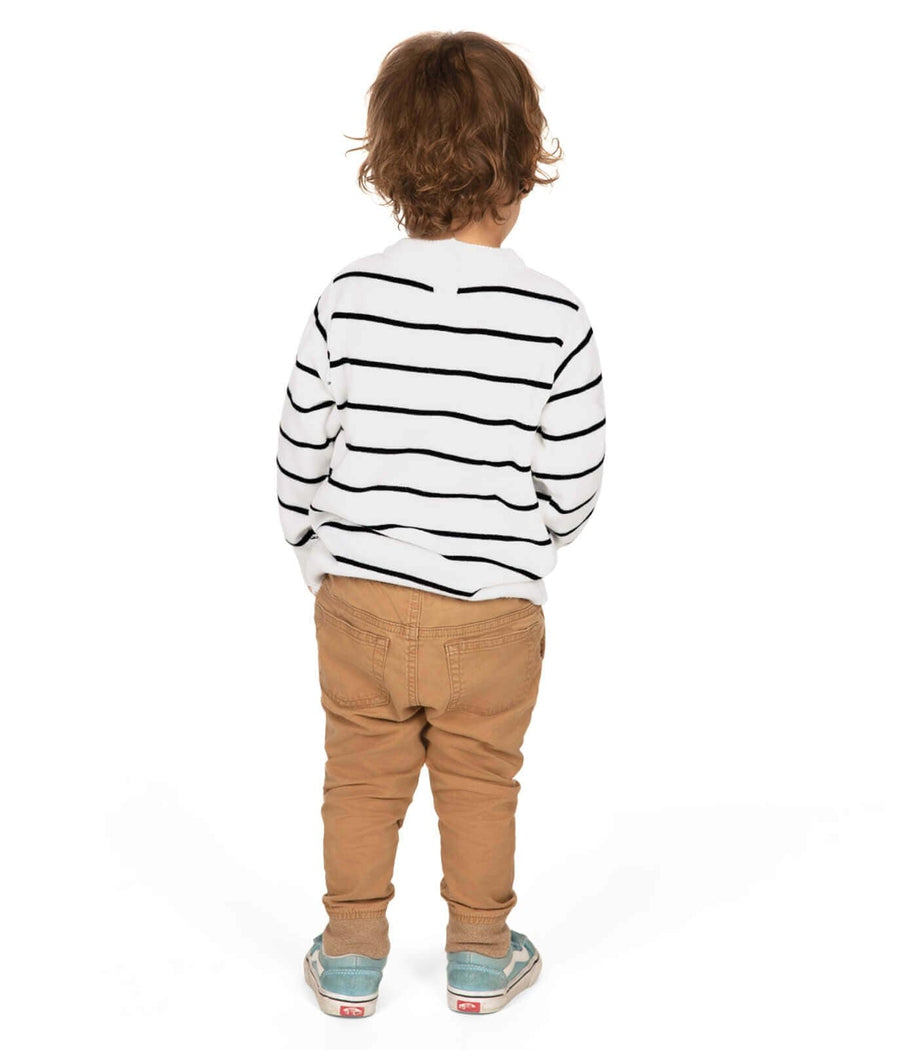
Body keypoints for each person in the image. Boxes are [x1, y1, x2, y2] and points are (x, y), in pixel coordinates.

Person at [275, 30, 606, 1017]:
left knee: (359, 780)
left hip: (359, 604)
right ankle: (479, 956)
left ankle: (349, 958)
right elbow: (574, 483)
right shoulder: (556, 318)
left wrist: (313, 552)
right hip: (493, 616)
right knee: (482, 783)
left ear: (386, 163)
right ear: (522, 165)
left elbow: (298, 454)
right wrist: (523, 550)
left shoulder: (348, 298)